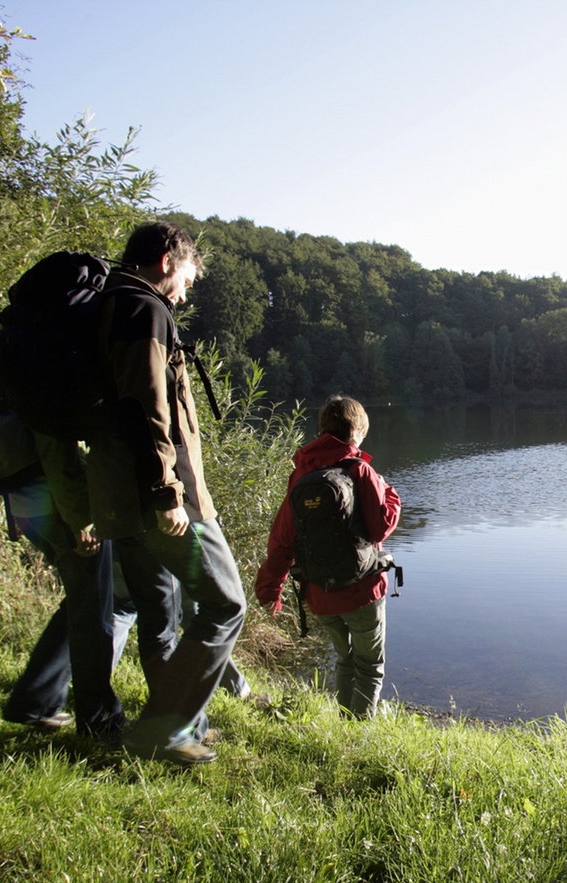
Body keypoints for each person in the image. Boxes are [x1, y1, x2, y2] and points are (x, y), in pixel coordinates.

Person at [83, 221, 247, 766]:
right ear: (164, 261)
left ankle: (180, 725)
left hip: (117, 497)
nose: (184, 292)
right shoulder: (143, 310)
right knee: (226, 602)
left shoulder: (108, 306)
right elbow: (148, 408)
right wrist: (167, 492)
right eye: (186, 279)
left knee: (161, 616)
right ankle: (165, 729)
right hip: (156, 497)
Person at [254, 395, 401, 719]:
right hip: (361, 590)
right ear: (358, 431)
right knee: (369, 663)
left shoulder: (302, 475)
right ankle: (358, 729)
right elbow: (380, 529)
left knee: (344, 659)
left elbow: (282, 540)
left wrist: (270, 590)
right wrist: (392, 496)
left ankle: (345, 719)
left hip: (319, 593)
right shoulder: (359, 470)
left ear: (322, 429)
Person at [0, 436, 129, 739]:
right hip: (63, 508)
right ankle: (99, 721)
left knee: (83, 602)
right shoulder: (48, 388)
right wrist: (81, 520)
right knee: (93, 610)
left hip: (30, 504)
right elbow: (56, 446)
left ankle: (35, 700)